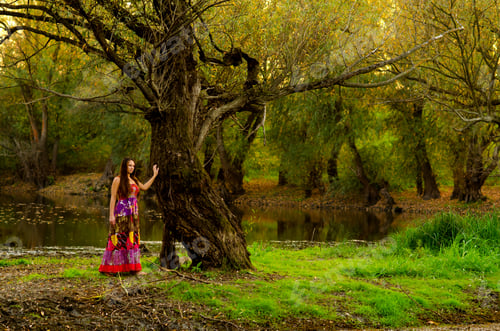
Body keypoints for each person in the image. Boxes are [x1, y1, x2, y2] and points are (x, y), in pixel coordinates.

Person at [99, 158, 159, 275]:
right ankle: (111, 268)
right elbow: (112, 197)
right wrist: (111, 215)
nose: (132, 168)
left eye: (133, 166)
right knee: (118, 239)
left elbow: (145, 187)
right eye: (129, 165)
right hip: (122, 213)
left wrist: (154, 175)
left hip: (133, 215)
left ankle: (134, 269)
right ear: (124, 166)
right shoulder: (118, 179)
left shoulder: (134, 180)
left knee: (132, 240)